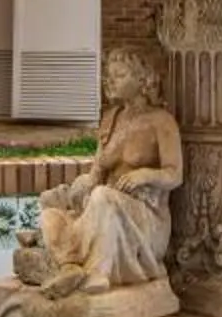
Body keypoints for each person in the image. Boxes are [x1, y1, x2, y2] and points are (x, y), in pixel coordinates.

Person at [18, 43, 183, 298]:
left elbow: (175, 174)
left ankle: (98, 273)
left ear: (142, 79)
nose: (111, 81)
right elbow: (96, 174)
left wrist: (145, 175)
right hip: (104, 208)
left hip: (144, 219)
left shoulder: (161, 121)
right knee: (51, 212)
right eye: (110, 75)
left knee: (103, 198)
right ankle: (70, 267)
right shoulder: (110, 119)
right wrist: (79, 187)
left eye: (120, 75)